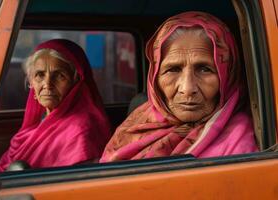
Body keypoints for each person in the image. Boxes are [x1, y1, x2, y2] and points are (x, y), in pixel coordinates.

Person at [100, 11, 258, 162]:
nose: (187, 88)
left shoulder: (240, 144)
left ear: (227, 76)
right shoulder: (139, 120)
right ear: (155, 78)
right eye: (173, 70)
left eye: (205, 69)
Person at [0, 39, 111, 171]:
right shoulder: (39, 123)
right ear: (31, 82)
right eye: (40, 75)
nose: (47, 84)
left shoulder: (81, 131)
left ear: (76, 83)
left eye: (59, 76)